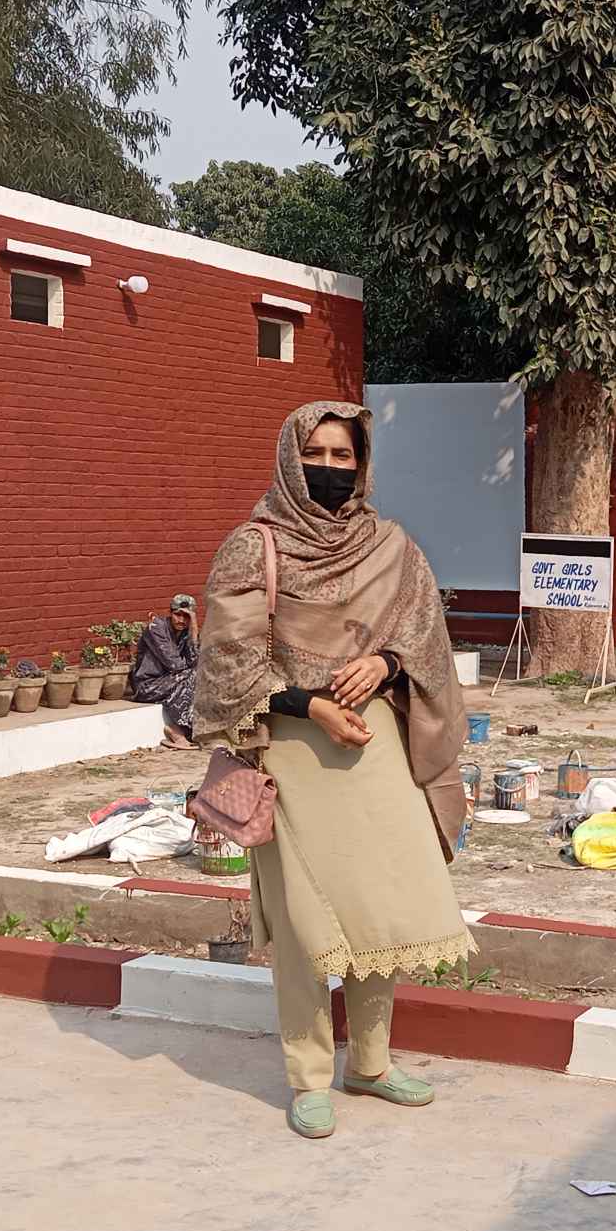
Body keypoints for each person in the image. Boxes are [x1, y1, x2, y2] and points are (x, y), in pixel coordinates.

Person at [191, 400, 472, 1141]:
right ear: (291, 459)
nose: (328, 467)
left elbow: (424, 636)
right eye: (314, 454)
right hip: (293, 749)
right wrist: (310, 704)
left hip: (376, 748)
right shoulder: (253, 547)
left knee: (381, 908)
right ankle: (309, 1076)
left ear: (362, 463)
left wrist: (385, 664)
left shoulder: (392, 546)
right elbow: (229, 661)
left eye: (342, 455)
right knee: (304, 924)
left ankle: (370, 1064)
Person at [131, 594, 201, 743]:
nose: (181, 620)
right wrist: (188, 665)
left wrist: (194, 629)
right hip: (146, 686)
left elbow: (194, 661)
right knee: (193, 674)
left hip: (170, 682)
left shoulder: (186, 632)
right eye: (178, 615)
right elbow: (175, 664)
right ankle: (177, 730)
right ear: (170, 613)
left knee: (200, 674)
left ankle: (193, 729)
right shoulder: (156, 628)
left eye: (187, 617)